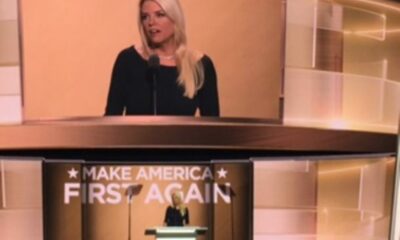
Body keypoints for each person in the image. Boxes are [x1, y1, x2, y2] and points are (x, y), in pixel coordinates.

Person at [105, 0, 219, 116]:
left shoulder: (200, 65)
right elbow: (111, 121)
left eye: (160, 15)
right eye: (145, 17)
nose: (151, 22)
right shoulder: (128, 60)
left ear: (175, 18)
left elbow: (213, 129)